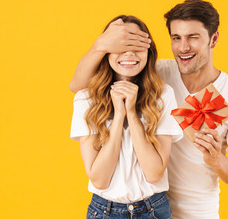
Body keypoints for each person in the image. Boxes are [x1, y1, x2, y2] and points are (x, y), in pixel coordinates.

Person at [70, 0, 228, 219]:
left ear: (213, 39)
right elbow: (81, 87)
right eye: (176, 38)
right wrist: (101, 45)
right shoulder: (156, 75)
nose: (183, 47)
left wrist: (218, 160)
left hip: (197, 212)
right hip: (148, 204)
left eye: (193, 37)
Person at [70, 15, 182, 219]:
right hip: (104, 212)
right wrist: (119, 114)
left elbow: (154, 173)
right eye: (120, 46)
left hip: (153, 210)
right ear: (106, 52)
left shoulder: (163, 95)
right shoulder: (85, 99)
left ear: (149, 51)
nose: (129, 52)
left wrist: (131, 113)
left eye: (136, 45)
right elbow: (100, 179)